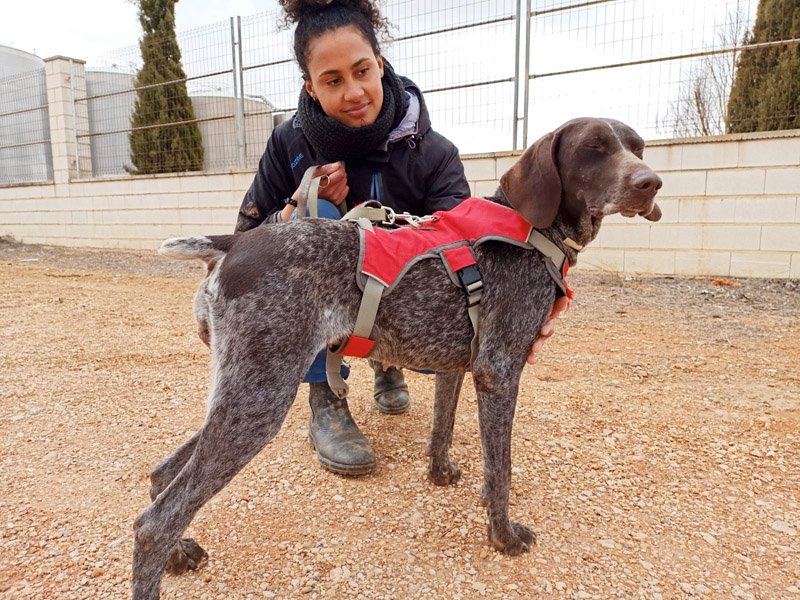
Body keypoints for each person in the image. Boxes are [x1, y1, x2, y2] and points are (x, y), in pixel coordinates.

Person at [235, 0, 564, 477]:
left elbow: (470, 254)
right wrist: (295, 206)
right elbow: (247, 238)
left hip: (403, 300)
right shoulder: (290, 142)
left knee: (449, 320)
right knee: (315, 216)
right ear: (310, 87)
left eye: (361, 71)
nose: (354, 92)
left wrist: (518, 314)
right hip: (326, 302)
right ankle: (325, 397)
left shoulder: (434, 152)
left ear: (380, 63)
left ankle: (387, 361)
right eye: (332, 81)